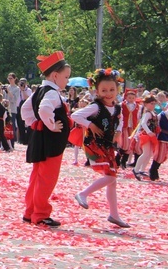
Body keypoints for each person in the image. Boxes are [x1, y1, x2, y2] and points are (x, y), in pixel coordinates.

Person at [71, 68, 130, 228]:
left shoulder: (117, 107)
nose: (108, 93)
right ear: (97, 91)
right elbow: (75, 115)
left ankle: (114, 215)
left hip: (108, 145)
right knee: (110, 177)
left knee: (112, 181)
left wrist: (118, 131)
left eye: (112, 89)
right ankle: (83, 193)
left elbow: (121, 119)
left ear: (117, 89)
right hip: (95, 145)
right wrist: (90, 124)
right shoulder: (96, 107)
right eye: (104, 90)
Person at [21, 51, 71, 227]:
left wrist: (34, 124)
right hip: (52, 143)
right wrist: (51, 126)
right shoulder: (52, 93)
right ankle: (40, 214)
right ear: (55, 76)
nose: (67, 81)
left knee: (36, 176)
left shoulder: (39, 91)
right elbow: (44, 109)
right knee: (46, 178)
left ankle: (30, 211)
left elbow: (25, 110)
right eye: (66, 77)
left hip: (40, 139)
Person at [148, 97, 168, 181]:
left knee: (165, 156)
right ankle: (153, 170)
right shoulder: (162, 115)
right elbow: (154, 122)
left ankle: (154, 170)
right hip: (162, 137)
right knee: (160, 155)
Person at [132, 95, 157, 180]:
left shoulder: (152, 113)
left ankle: (142, 170)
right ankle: (136, 169)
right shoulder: (147, 113)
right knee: (146, 153)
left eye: (154, 104)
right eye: (151, 103)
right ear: (146, 104)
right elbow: (143, 123)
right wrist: (149, 132)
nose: (153, 105)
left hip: (149, 135)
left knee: (149, 154)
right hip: (145, 135)